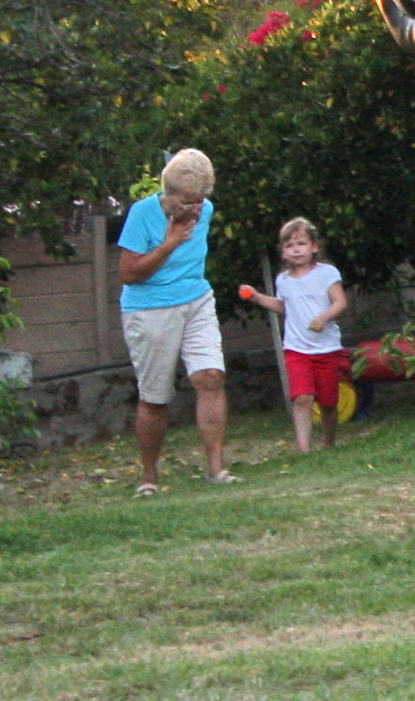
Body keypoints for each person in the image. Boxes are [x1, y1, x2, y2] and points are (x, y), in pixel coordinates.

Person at [115, 147, 231, 492]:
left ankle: (217, 470)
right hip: (149, 309)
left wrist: (194, 211)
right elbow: (128, 275)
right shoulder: (142, 214)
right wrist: (169, 244)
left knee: (211, 377)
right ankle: (149, 478)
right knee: (155, 397)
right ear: (170, 195)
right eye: (189, 202)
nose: (197, 209)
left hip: (196, 299)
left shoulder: (205, 209)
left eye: (201, 201)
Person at [248, 217, 352, 453]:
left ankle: (329, 441)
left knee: (328, 403)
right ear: (283, 252)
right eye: (289, 246)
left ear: (314, 246)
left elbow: (340, 302)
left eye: (301, 244)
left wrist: (323, 318)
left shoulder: (327, 273)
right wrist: (257, 297)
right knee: (302, 398)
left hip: (327, 348)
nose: (296, 250)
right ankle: (304, 449)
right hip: (297, 349)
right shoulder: (283, 280)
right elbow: (284, 307)